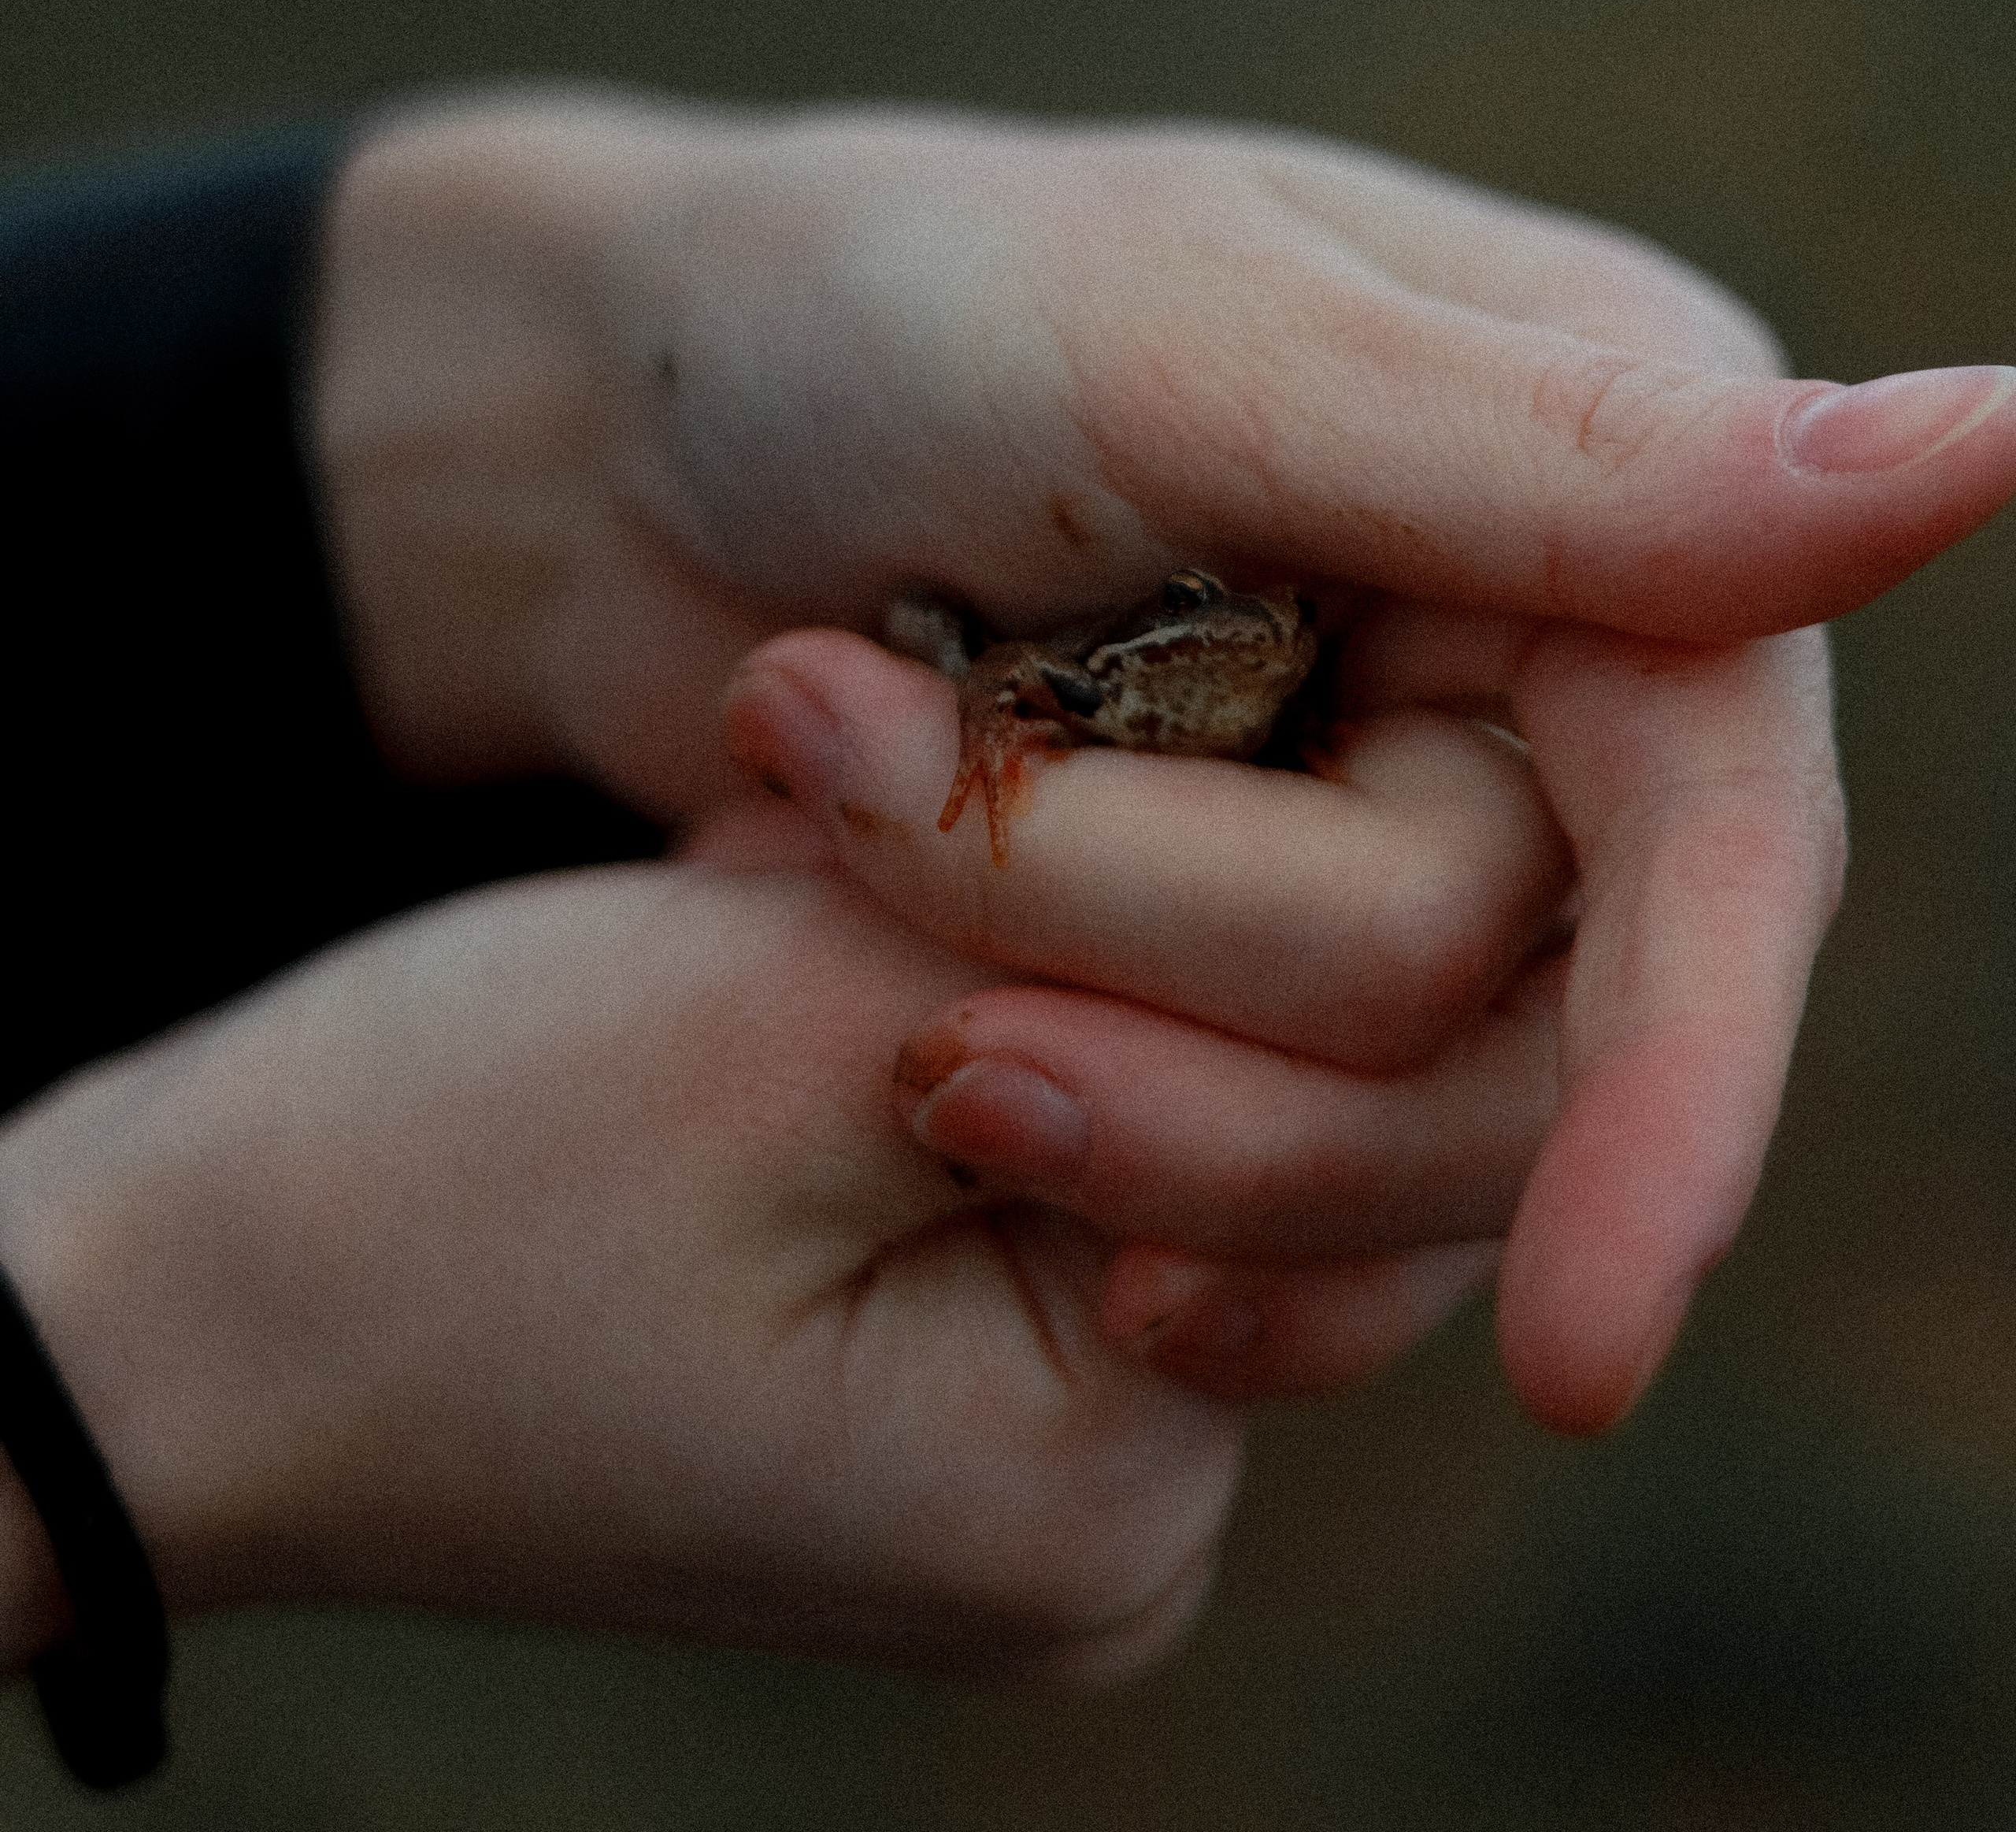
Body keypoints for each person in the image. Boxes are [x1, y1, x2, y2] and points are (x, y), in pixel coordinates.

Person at [3, 87, 2012, 1763]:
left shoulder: (1261, 657)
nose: (1273, 640)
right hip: (1059, 678)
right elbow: (1013, 685)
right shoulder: (1133, 668)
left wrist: (572, 381)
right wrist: (168, 1337)